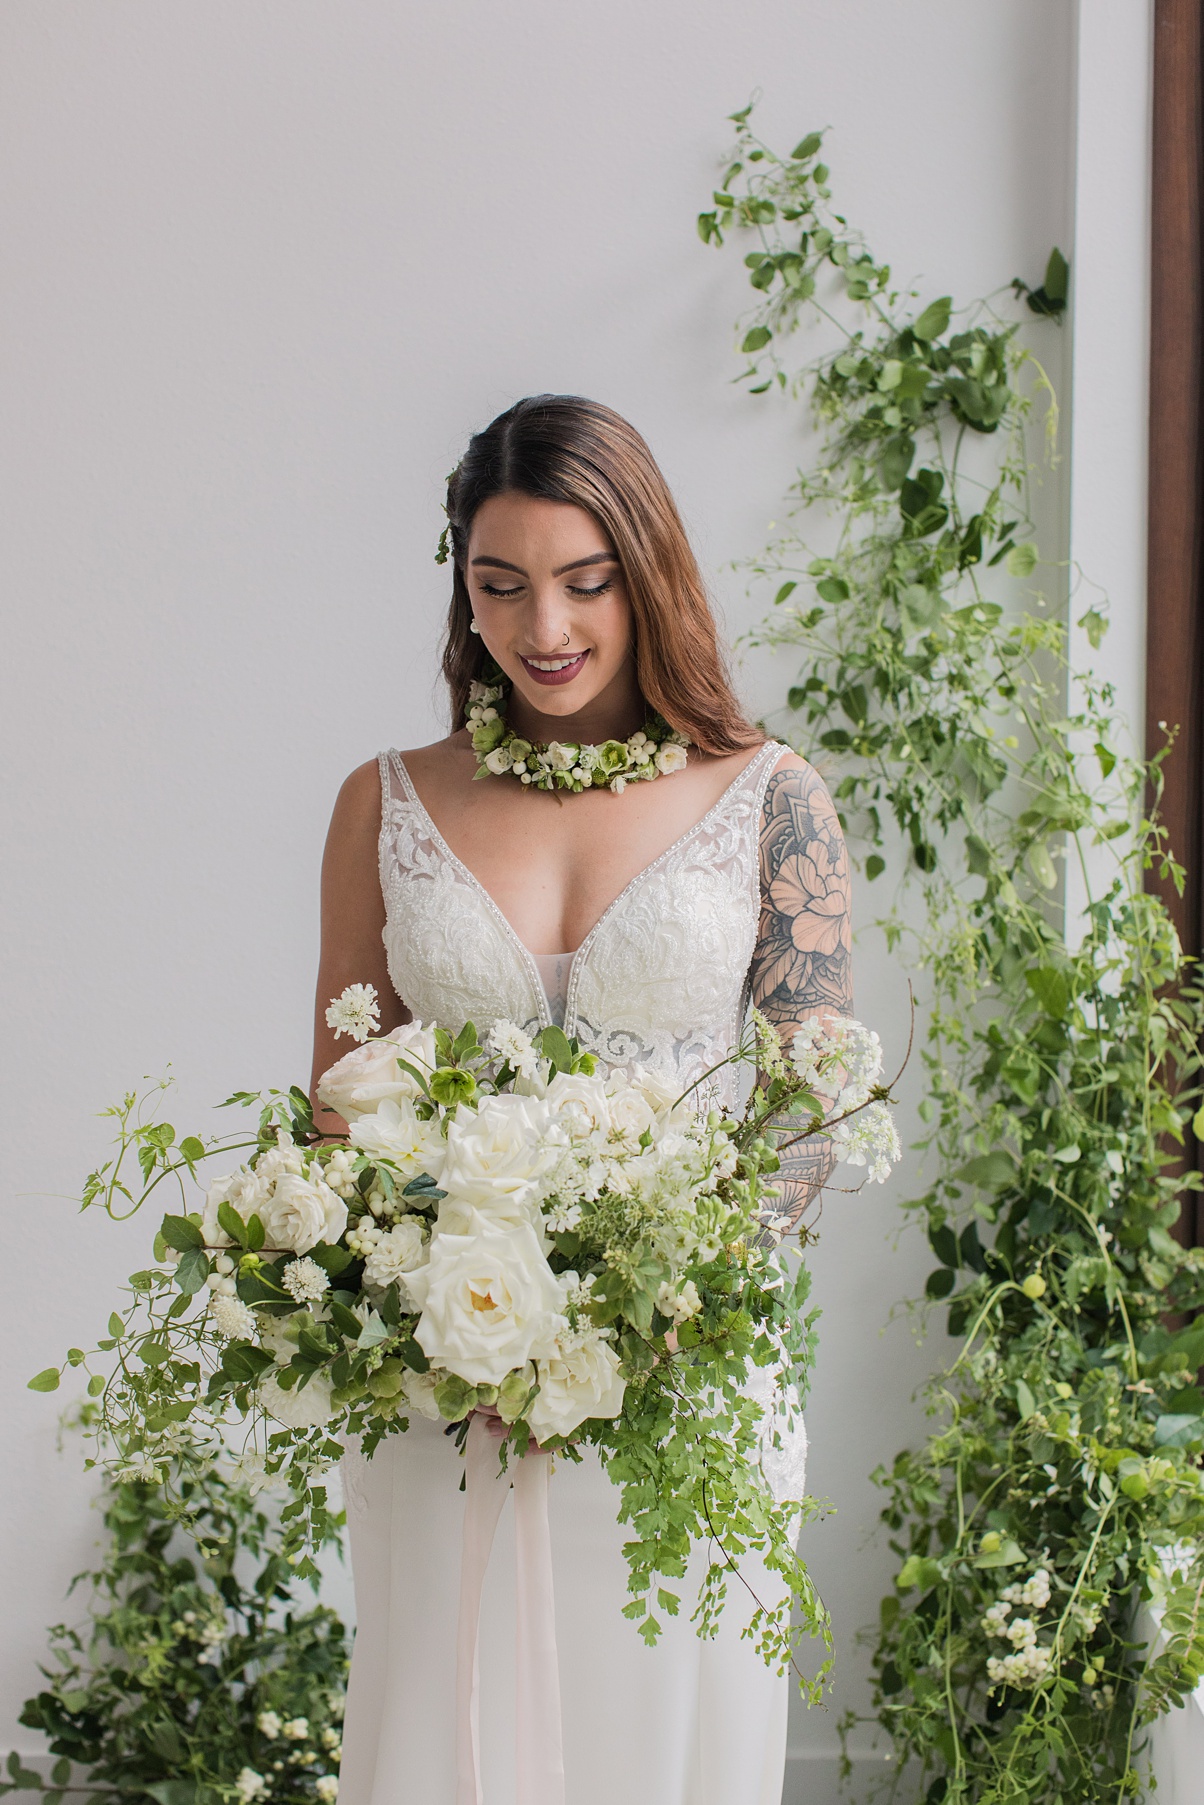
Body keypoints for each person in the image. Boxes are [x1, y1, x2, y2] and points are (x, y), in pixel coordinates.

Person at [309, 395, 852, 1805]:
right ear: (462, 591)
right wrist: (428, 1309)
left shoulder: (771, 797)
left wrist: (651, 1306)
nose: (542, 625)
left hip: (689, 1372)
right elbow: (339, 1104)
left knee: (659, 1740)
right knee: (447, 1728)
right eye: (499, 585)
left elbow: (806, 1112)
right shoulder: (386, 802)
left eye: (583, 581)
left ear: (647, 572)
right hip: (446, 1374)